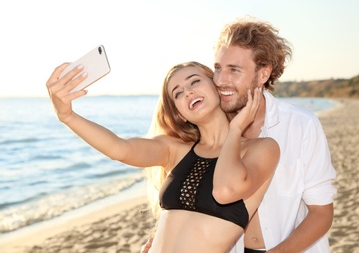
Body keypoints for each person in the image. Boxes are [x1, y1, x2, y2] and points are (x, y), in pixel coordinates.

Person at [46, 61, 280, 252]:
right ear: (180, 113)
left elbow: (226, 190)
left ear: (216, 86)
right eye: (178, 93)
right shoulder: (174, 150)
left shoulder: (260, 148)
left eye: (195, 81)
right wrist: (67, 116)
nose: (188, 91)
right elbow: (120, 149)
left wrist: (236, 129)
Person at [213, 17, 337, 252]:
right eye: (218, 68)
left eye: (234, 70)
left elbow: (321, 213)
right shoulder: (213, 128)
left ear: (263, 74)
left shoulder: (301, 125)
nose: (220, 80)